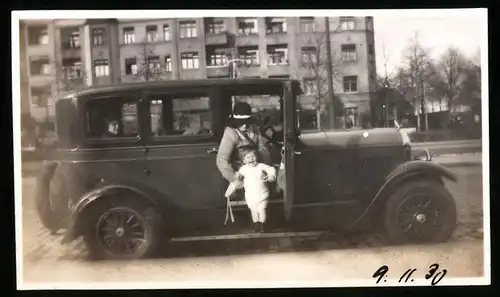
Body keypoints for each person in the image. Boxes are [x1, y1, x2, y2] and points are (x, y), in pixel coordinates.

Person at [216, 102, 272, 189]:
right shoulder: (230, 132)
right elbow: (222, 160)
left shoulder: (254, 129)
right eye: (241, 123)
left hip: (257, 170)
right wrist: (234, 179)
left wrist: (265, 170)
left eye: (247, 122)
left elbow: (263, 149)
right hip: (241, 173)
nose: (245, 125)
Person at [232, 149, 276, 233]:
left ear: (257, 158)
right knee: (254, 210)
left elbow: (271, 169)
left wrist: (270, 176)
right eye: (248, 157)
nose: (251, 159)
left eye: (253, 156)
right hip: (250, 194)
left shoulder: (261, 166)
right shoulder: (243, 169)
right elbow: (238, 176)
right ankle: (256, 224)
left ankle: (263, 225)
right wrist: (236, 177)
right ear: (244, 161)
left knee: (262, 209)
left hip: (262, 193)